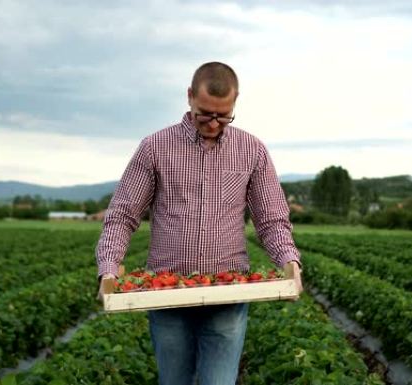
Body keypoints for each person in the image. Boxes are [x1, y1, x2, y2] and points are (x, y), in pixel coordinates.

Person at [96, 61, 302, 385]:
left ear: (235, 103)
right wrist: (109, 266)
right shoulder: (155, 147)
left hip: (227, 293)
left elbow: (272, 219)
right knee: (174, 380)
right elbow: (123, 214)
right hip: (166, 292)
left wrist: (289, 261)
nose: (214, 123)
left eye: (224, 115)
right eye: (206, 113)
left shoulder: (252, 150)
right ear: (190, 96)